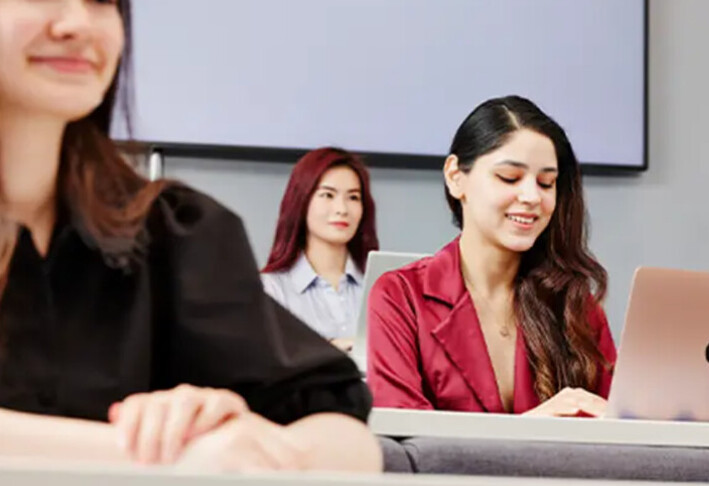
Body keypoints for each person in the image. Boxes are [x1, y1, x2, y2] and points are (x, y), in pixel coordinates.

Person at [0, 0, 380, 471]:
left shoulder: (175, 232)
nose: (77, 23)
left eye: (101, 2)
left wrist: (238, 436)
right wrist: (154, 453)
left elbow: (347, 437)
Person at [367, 96, 616, 416]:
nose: (531, 197)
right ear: (456, 177)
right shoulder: (400, 297)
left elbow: (620, 429)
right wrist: (530, 431)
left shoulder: (575, 306)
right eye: (509, 178)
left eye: (546, 183)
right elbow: (405, 441)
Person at [262, 147, 378, 352]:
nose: (342, 209)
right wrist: (329, 350)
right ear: (302, 201)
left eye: (353, 197)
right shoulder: (270, 289)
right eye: (328, 195)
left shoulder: (380, 286)